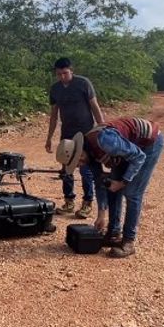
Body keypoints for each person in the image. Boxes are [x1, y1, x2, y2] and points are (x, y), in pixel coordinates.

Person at [56, 116, 164, 258]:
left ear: (80, 152)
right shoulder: (90, 154)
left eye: (77, 161)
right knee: (112, 187)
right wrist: (101, 214)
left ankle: (128, 241)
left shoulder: (105, 141)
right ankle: (113, 233)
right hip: (128, 147)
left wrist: (123, 182)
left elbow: (138, 157)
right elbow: (100, 182)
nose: (79, 165)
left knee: (132, 193)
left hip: (148, 144)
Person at [44, 57, 105, 218]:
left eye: (65, 73)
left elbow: (95, 106)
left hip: (86, 133)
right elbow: (54, 115)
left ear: (72, 71)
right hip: (67, 134)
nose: (62, 77)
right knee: (66, 170)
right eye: (59, 74)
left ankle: (87, 203)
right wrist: (49, 137)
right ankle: (69, 201)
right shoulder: (55, 89)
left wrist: (103, 128)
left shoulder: (83, 83)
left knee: (86, 169)